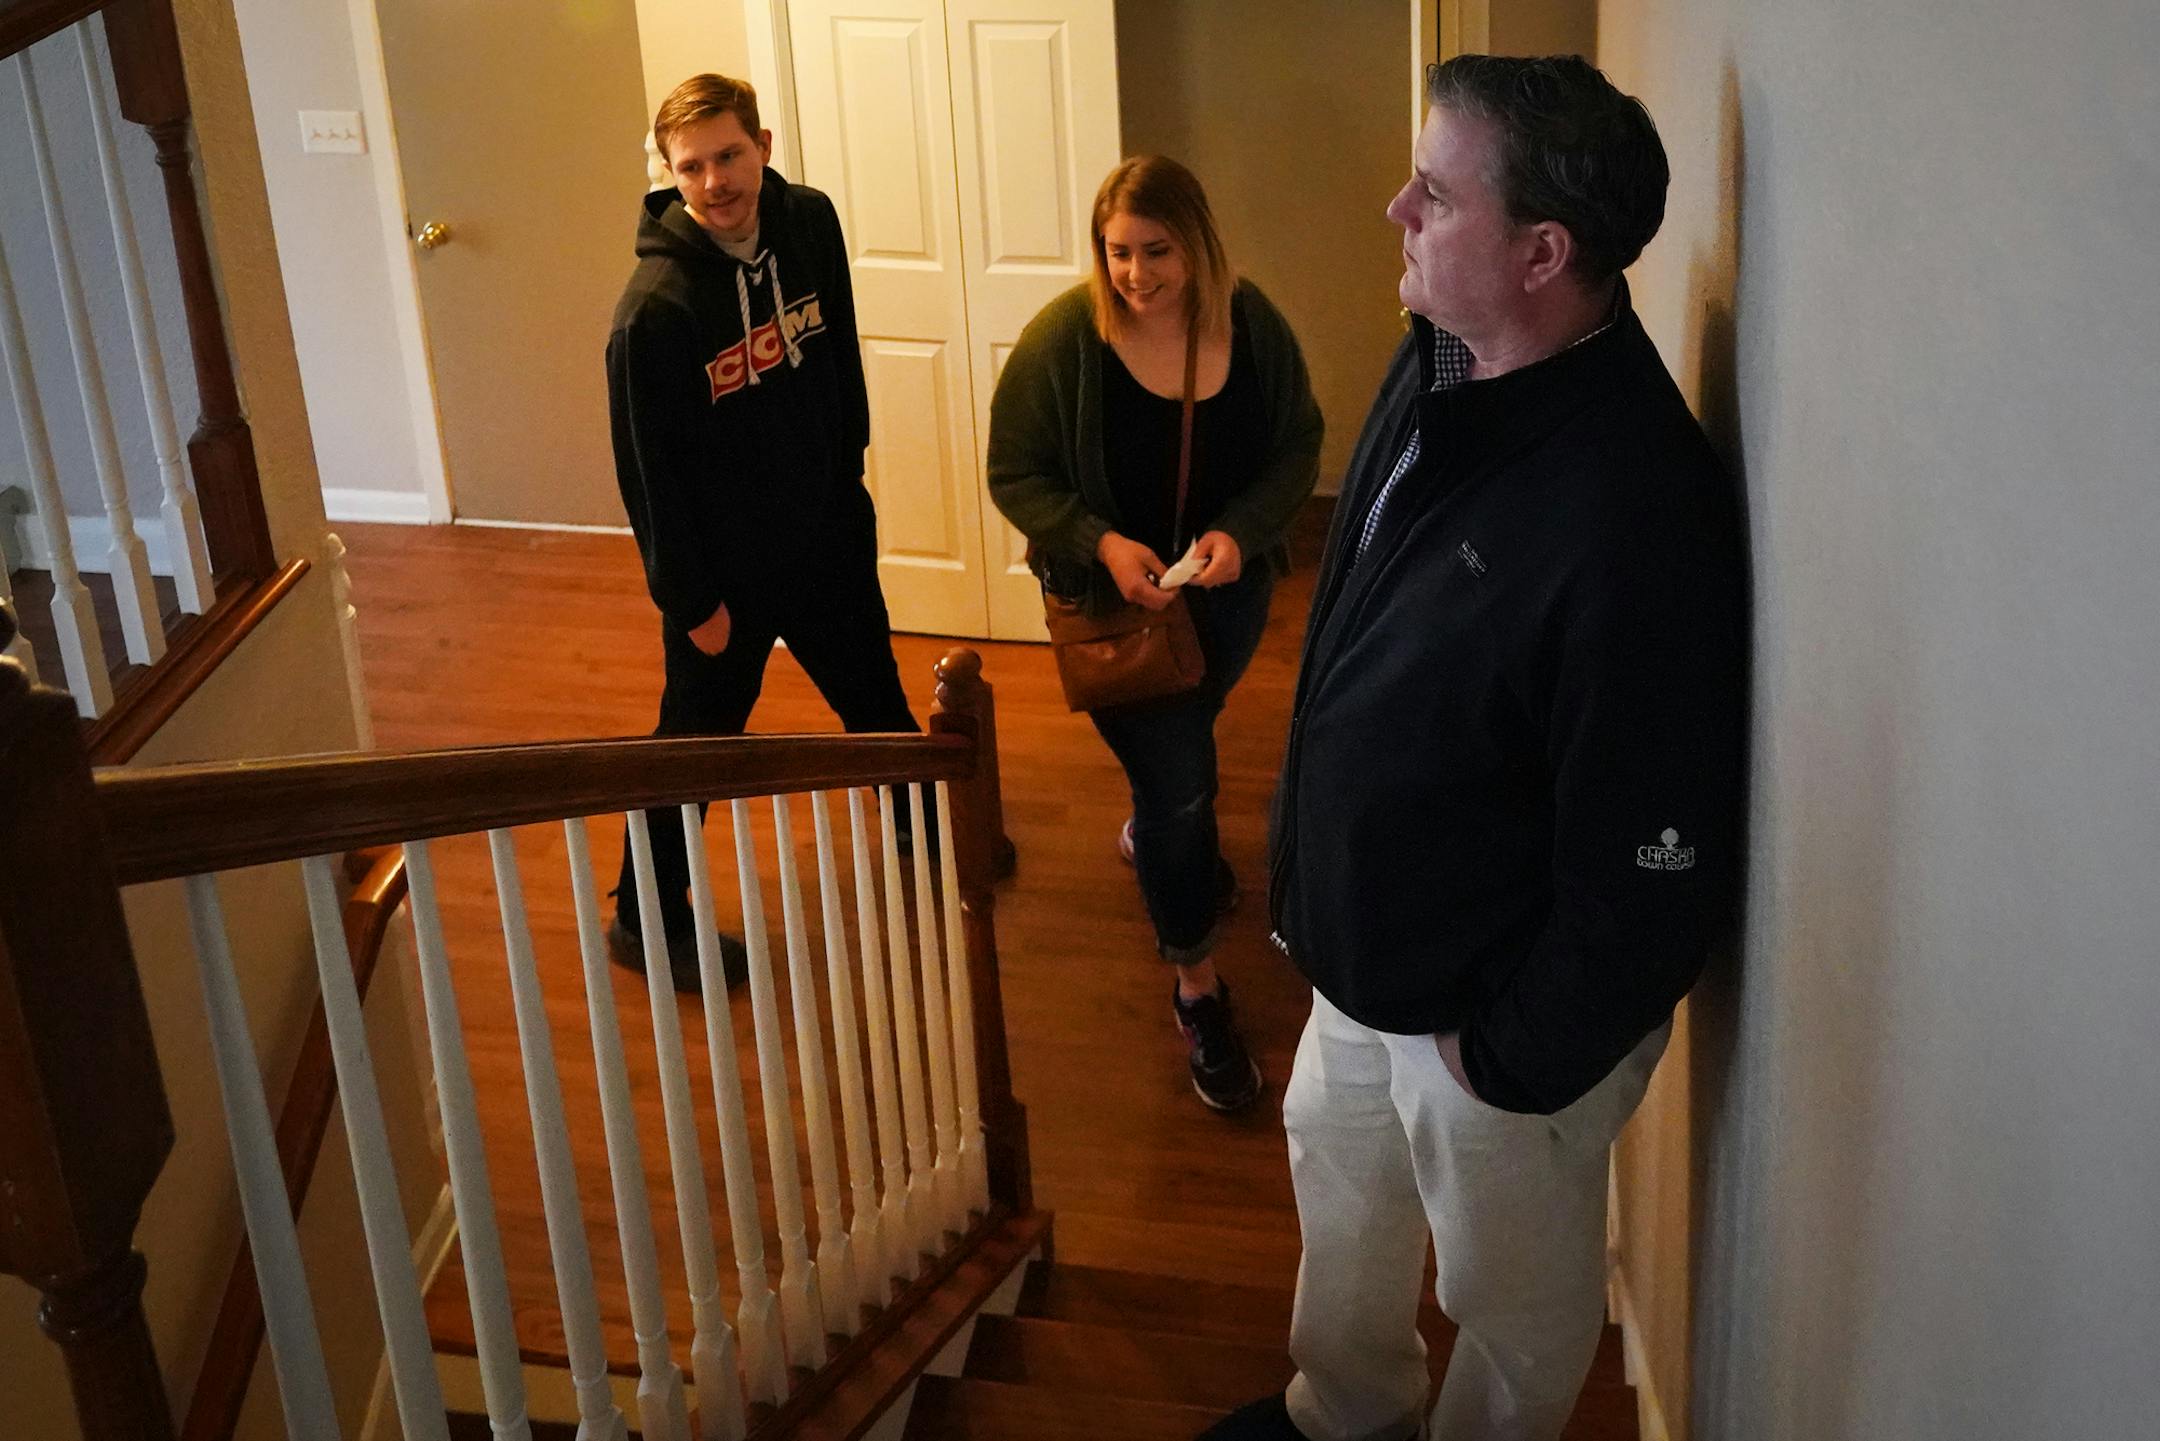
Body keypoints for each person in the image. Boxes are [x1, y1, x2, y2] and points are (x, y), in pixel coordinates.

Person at [1206, 56, 1746, 1441]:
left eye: (1435, 195)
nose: (1395, 207)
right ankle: (1348, 1413)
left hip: (1485, 1030)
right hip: (1364, 961)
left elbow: (1655, 862)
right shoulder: (1443, 354)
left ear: (1542, 251)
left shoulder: (1634, 516)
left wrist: (1503, 1058)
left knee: (1510, 1298)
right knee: (1344, 1205)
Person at [987, 156, 1323, 1113]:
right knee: (1181, 783)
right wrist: (1103, 541)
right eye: (1118, 251)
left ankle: (1156, 831)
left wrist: (1240, 534)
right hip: (1116, 614)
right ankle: (1197, 987)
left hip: (1226, 601)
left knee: (1187, 752)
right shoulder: (1067, 340)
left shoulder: (1250, 324)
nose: (1135, 273)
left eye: (1157, 250)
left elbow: (1299, 443)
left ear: (1200, 243)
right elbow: (1014, 471)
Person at [606, 73, 920, 992]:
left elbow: (842, 353)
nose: (715, 181)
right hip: (726, 578)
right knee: (697, 746)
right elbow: (647, 479)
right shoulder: (654, 310)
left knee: (873, 687)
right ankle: (645, 918)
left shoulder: (809, 223)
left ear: (764, 146)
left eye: (730, 155)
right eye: (692, 165)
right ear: (670, 174)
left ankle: (926, 818)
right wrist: (691, 598)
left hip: (825, 532)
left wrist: (848, 471)